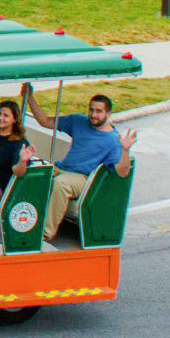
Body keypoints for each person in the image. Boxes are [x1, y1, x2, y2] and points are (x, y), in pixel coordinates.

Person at [23, 84, 135, 236]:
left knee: (62, 183)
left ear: (108, 113)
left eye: (99, 111)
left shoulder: (113, 140)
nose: (93, 115)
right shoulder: (79, 121)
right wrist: (29, 97)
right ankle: (25, 222)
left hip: (82, 179)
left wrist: (125, 150)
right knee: (33, 173)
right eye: (91, 109)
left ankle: (45, 233)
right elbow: (44, 121)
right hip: (62, 169)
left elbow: (122, 173)